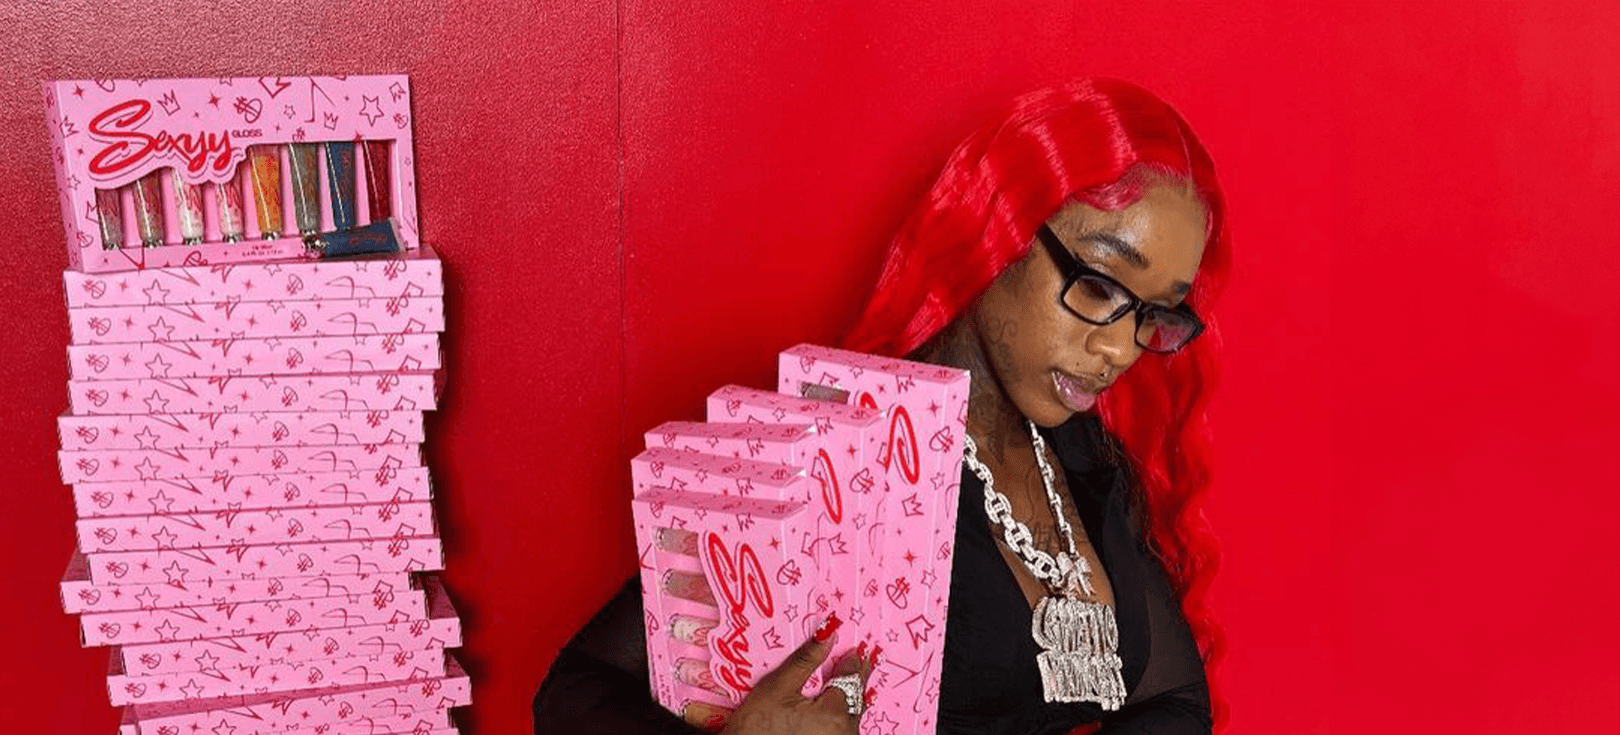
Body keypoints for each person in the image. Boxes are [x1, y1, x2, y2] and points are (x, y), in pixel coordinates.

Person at [534, 78, 1230, 735]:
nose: (1120, 349)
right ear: (1003, 231)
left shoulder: (1081, 455)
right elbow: (573, 692)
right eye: (1100, 285)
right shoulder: (842, 457)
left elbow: (1174, 699)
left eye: (1156, 313)